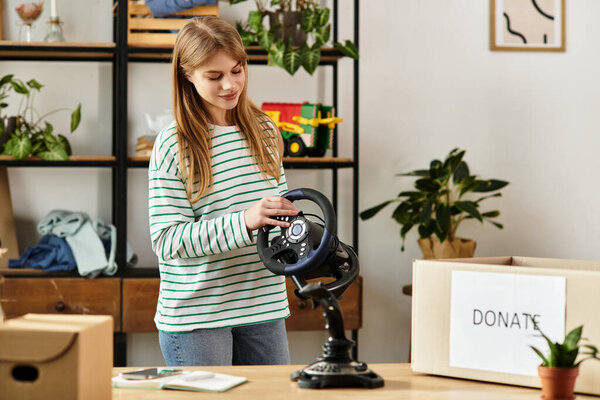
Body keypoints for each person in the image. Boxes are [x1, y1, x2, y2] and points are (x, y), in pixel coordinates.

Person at [148, 16, 298, 366]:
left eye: (237, 70)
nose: (230, 85)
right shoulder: (174, 144)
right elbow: (168, 241)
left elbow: (279, 211)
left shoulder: (264, 130)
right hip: (196, 318)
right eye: (214, 76)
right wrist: (245, 222)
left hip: (263, 307)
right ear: (187, 75)